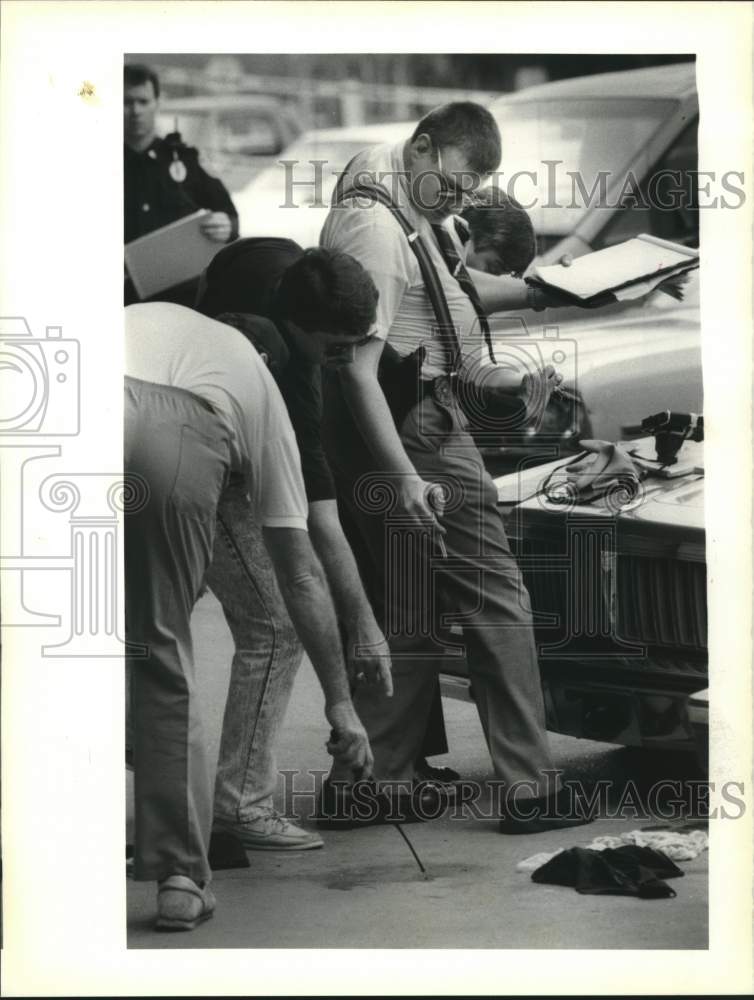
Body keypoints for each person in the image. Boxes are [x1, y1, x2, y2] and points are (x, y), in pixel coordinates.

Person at [318, 102, 594, 834]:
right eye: (463, 182)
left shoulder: (398, 182)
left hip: (415, 410)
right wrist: (406, 471)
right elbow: (356, 370)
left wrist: (509, 367)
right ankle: (531, 787)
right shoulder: (375, 227)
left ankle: (383, 779)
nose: (466, 201)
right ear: (425, 148)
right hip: (414, 424)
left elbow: (443, 311)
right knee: (496, 595)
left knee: (404, 597)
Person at [124, 301, 375, 930]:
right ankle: (181, 877)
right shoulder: (262, 391)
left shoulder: (156, 315)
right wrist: (341, 703)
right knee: (160, 651)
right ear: (266, 358)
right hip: (171, 431)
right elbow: (300, 570)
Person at [192, 241, 396, 852]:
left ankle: (130, 729)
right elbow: (310, 542)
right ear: (299, 329)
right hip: (194, 451)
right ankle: (243, 803)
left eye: (358, 345)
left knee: (149, 610)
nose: (344, 362)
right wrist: (343, 697)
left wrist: (363, 627)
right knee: (276, 625)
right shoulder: (288, 378)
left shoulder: (276, 265)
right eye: (336, 348)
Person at [123, 63, 239, 305]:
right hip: (126, 302)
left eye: (143, 102)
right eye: (126, 102)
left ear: (157, 102)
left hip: (184, 300)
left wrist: (226, 226)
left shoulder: (185, 160)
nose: (135, 111)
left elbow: (228, 214)